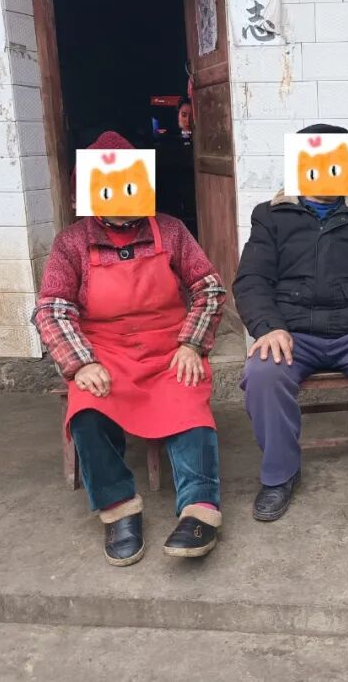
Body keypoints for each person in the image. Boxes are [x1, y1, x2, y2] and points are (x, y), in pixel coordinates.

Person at [33, 131, 227, 566]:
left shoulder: (171, 231)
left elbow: (210, 289)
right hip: (104, 354)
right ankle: (118, 507)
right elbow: (52, 309)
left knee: (188, 403)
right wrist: (80, 364)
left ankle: (199, 508)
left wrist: (192, 344)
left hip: (168, 349)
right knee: (87, 411)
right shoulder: (72, 243)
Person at [233, 124, 348, 521]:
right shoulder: (269, 216)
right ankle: (280, 475)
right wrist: (268, 327)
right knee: (263, 372)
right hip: (292, 333)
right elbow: (251, 280)